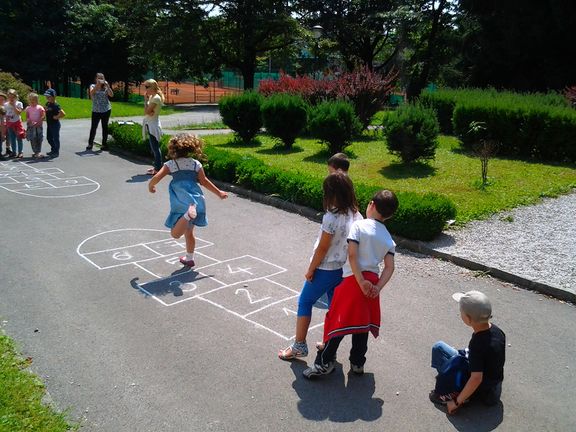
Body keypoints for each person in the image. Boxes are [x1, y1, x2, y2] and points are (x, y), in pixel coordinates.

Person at [303, 190, 399, 379]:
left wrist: (360, 280)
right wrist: (377, 287)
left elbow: (352, 255)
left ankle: (325, 362)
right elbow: (389, 267)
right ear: (390, 215)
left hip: (353, 281)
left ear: (371, 204)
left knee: (338, 321)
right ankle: (357, 363)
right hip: (372, 283)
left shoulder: (359, 226)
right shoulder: (388, 238)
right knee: (361, 324)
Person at [278, 172, 363, 360]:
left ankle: (299, 345)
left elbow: (323, 248)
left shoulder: (331, 218)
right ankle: (328, 345)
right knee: (333, 308)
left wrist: (310, 269)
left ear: (331, 194)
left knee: (305, 301)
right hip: (341, 269)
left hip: (325, 268)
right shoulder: (356, 214)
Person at [148, 134, 228, 267]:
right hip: (196, 201)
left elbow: (157, 177)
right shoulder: (196, 164)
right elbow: (204, 182)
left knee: (175, 234)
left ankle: (186, 215)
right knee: (189, 232)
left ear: (173, 149)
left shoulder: (171, 164)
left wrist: (151, 186)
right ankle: (189, 258)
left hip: (181, 201)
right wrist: (219, 193)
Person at [429, 290, 506, 413]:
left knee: (446, 356)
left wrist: (456, 402)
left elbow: (476, 378)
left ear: (469, 319)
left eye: (461, 312)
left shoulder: (478, 344)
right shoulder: (497, 331)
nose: (460, 313)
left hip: (484, 392)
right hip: (494, 385)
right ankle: (451, 380)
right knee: (439, 347)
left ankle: (459, 394)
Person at [142, 79, 164, 175]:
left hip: (153, 125)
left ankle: (158, 169)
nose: (145, 89)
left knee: (155, 148)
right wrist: (148, 109)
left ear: (152, 87)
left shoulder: (155, 98)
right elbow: (148, 112)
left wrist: (146, 101)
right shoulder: (152, 97)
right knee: (154, 147)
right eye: (145, 86)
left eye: (147, 87)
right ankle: (157, 166)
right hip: (150, 123)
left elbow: (147, 111)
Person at [86, 72, 113, 151]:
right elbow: (91, 94)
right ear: (96, 79)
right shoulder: (93, 86)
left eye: (102, 78)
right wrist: (98, 84)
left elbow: (111, 95)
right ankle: (90, 144)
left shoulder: (105, 87)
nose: (101, 79)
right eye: (99, 78)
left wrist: (107, 86)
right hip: (96, 110)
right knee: (93, 127)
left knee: (105, 127)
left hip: (106, 109)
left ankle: (104, 144)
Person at [44, 89, 66, 158]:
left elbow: (63, 113)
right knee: (49, 138)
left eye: (49, 96)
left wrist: (56, 117)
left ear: (54, 97)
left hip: (55, 125)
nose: (47, 98)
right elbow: (46, 110)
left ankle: (56, 152)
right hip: (49, 124)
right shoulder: (48, 103)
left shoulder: (56, 105)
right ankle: (53, 149)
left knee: (55, 138)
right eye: (46, 96)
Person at [4, 89, 26, 158]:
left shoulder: (19, 103)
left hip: (17, 122)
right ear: (8, 97)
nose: (11, 99)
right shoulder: (6, 104)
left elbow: (18, 113)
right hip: (10, 123)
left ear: (16, 97)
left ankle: (20, 152)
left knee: (19, 137)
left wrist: (14, 105)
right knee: (12, 138)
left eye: (13, 97)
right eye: (9, 97)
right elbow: (5, 113)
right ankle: (14, 152)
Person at [25, 93, 46, 158]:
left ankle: (38, 151)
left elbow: (43, 115)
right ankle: (35, 151)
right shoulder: (28, 108)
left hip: (38, 126)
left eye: (34, 99)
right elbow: (27, 117)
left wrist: (38, 121)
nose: (32, 101)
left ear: (37, 100)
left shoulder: (40, 107)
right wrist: (29, 121)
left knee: (39, 138)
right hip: (31, 126)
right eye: (31, 99)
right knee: (32, 138)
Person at [0, 92, 6, 160]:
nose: (0, 101)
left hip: (1, 126)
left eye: (2, 99)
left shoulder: (2, 109)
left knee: (0, 141)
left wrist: (3, 133)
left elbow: (2, 121)